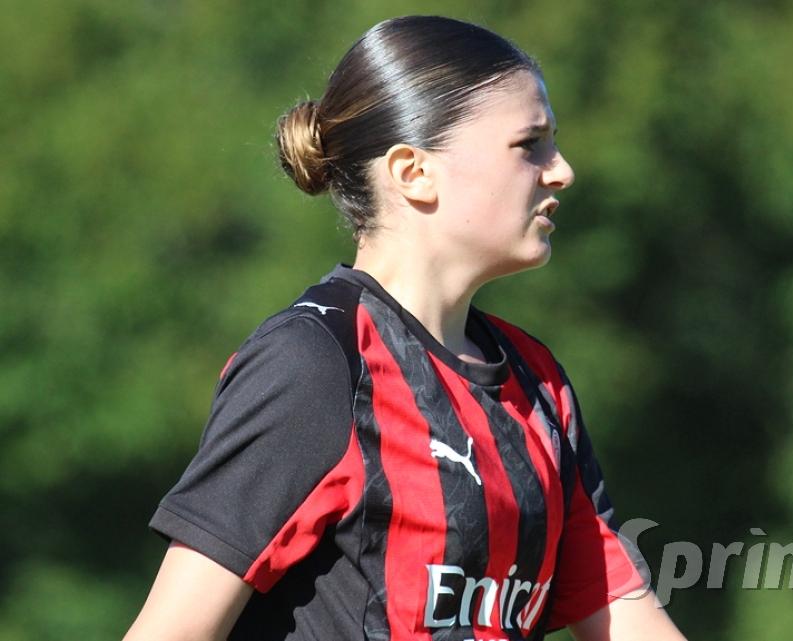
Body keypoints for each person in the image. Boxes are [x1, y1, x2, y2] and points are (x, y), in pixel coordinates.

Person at [124, 15, 687, 641]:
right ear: (413, 172)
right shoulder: (316, 364)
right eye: (530, 144)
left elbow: (622, 611)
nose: (561, 171)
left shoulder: (539, 385)